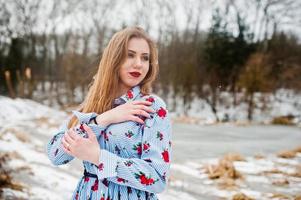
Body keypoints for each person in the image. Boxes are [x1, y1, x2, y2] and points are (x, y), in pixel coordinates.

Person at [47, 26, 172, 200]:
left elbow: (157, 178)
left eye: (145, 58)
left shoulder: (151, 107)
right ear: (114, 59)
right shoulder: (91, 105)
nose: (138, 64)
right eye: (130, 55)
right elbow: (55, 155)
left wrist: (98, 157)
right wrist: (102, 119)